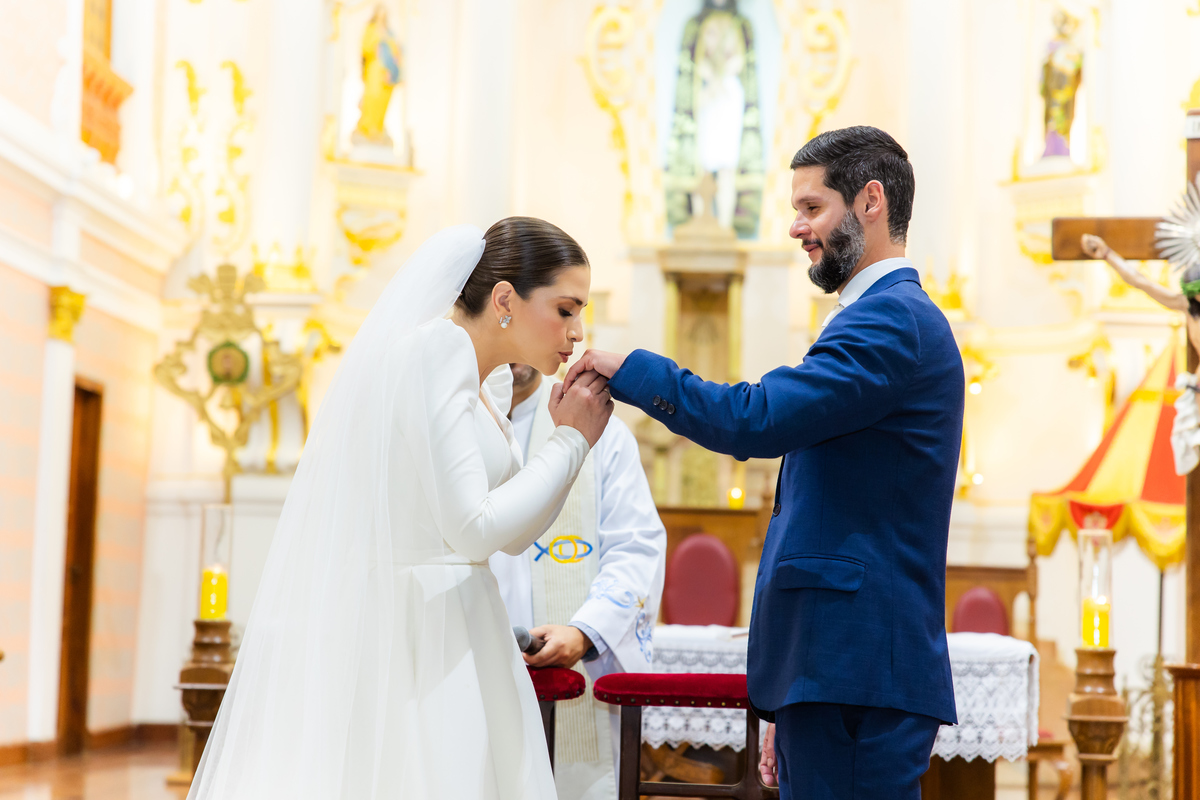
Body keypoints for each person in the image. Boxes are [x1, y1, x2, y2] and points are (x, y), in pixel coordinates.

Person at [564, 126, 964, 799]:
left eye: (812, 207)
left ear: (871, 201)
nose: (796, 227)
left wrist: (633, 370)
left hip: (856, 670)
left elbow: (757, 420)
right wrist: (792, 693)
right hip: (833, 673)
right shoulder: (878, 318)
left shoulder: (891, 321)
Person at [187, 218, 614, 800]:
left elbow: (512, 537)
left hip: (466, 617)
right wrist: (570, 443)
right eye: (565, 310)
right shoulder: (436, 350)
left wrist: (570, 441)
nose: (577, 332)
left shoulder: (488, 384)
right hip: (418, 624)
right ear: (505, 300)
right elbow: (472, 530)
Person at [490, 363, 666, 800]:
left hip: (562, 678)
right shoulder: (451, 420)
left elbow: (635, 547)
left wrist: (585, 631)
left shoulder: (599, 430)